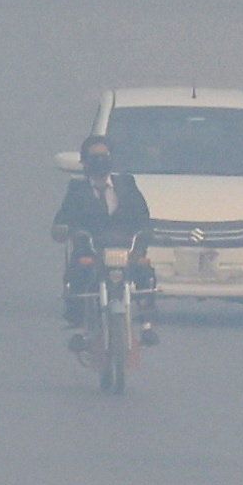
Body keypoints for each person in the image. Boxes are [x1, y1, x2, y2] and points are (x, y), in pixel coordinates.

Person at [49, 132, 155, 337]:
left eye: (104, 156)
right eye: (94, 157)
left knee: (145, 271)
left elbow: (143, 217)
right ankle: (79, 326)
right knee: (78, 272)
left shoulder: (127, 184)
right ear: (84, 162)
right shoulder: (76, 189)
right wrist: (63, 229)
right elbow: (63, 218)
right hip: (91, 251)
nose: (99, 161)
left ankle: (147, 324)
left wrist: (143, 240)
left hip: (126, 251)